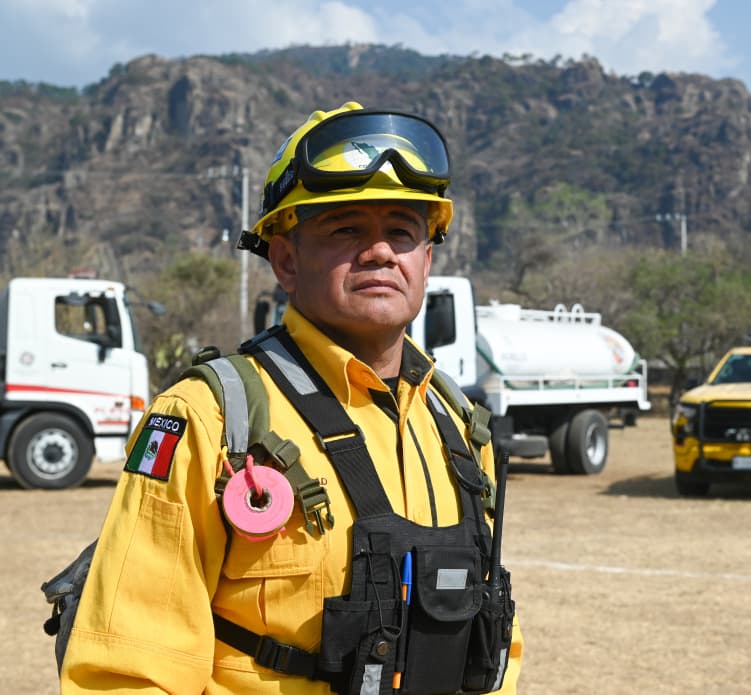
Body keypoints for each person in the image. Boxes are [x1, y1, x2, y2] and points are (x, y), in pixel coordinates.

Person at [60, 101, 522, 693]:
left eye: (402, 231)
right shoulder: (208, 419)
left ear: (426, 260)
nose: (380, 251)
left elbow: (494, 642)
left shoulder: (458, 427)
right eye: (346, 229)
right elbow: (127, 673)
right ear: (285, 259)